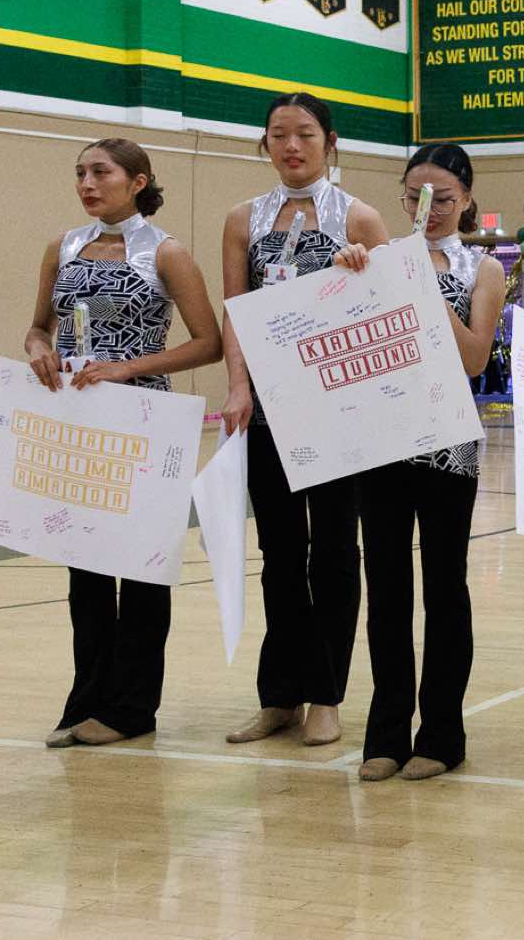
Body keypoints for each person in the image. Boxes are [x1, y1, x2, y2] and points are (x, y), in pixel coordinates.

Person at [22, 138, 221, 747]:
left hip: (143, 420)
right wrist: (38, 350)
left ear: (137, 182)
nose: (86, 183)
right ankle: (85, 701)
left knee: (141, 570)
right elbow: (37, 328)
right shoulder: (62, 246)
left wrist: (127, 367)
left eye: (100, 172)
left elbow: (208, 342)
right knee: (84, 571)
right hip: (78, 422)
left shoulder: (166, 252)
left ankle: (132, 708)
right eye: (80, 173)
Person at [218, 93, 390, 748]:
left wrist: (363, 273)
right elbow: (235, 309)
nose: (292, 146)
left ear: (329, 141)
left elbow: (393, 305)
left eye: (306, 134)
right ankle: (279, 695)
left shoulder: (360, 216)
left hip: (340, 411)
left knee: (335, 553)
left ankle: (327, 695)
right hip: (268, 411)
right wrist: (239, 386)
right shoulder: (242, 219)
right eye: (279, 134)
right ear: (264, 143)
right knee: (280, 555)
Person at [331, 144, 507, 782]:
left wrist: (419, 288)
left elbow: (473, 358)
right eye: (414, 197)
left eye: (443, 198)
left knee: (444, 587)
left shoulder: (483, 267)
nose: (427, 209)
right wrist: (347, 275)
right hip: (378, 440)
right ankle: (384, 733)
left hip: (447, 443)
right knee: (385, 590)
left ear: (466, 200)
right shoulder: (372, 257)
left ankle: (441, 733)